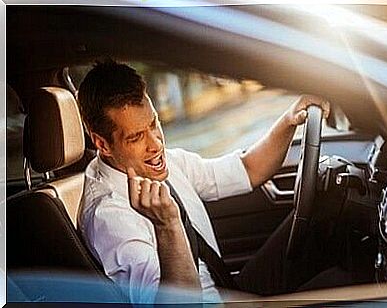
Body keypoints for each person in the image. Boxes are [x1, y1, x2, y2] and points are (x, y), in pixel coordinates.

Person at [77, 60, 329, 303]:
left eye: (154, 124)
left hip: (230, 292)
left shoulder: (169, 164)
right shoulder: (109, 217)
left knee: (328, 215)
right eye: (136, 137)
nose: (155, 144)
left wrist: (289, 120)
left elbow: (249, 169)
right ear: (102, 144)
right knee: (344, 283)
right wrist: (168, 225)